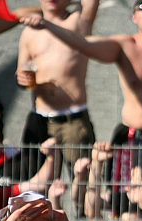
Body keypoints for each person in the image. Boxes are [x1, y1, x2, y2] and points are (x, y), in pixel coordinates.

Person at [20, 0, 142, 181]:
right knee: (125, 197)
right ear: (134, 17)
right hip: (133, 136)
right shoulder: (124, 46)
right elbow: (83, 45)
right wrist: (47, 25)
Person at [16, 0, 99, 173]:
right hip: (40, 118)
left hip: (72, 119)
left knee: (81, 176)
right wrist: (22, 79)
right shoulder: (30, 32)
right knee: (33, 180)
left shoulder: (78, 21)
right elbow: (21, 72)